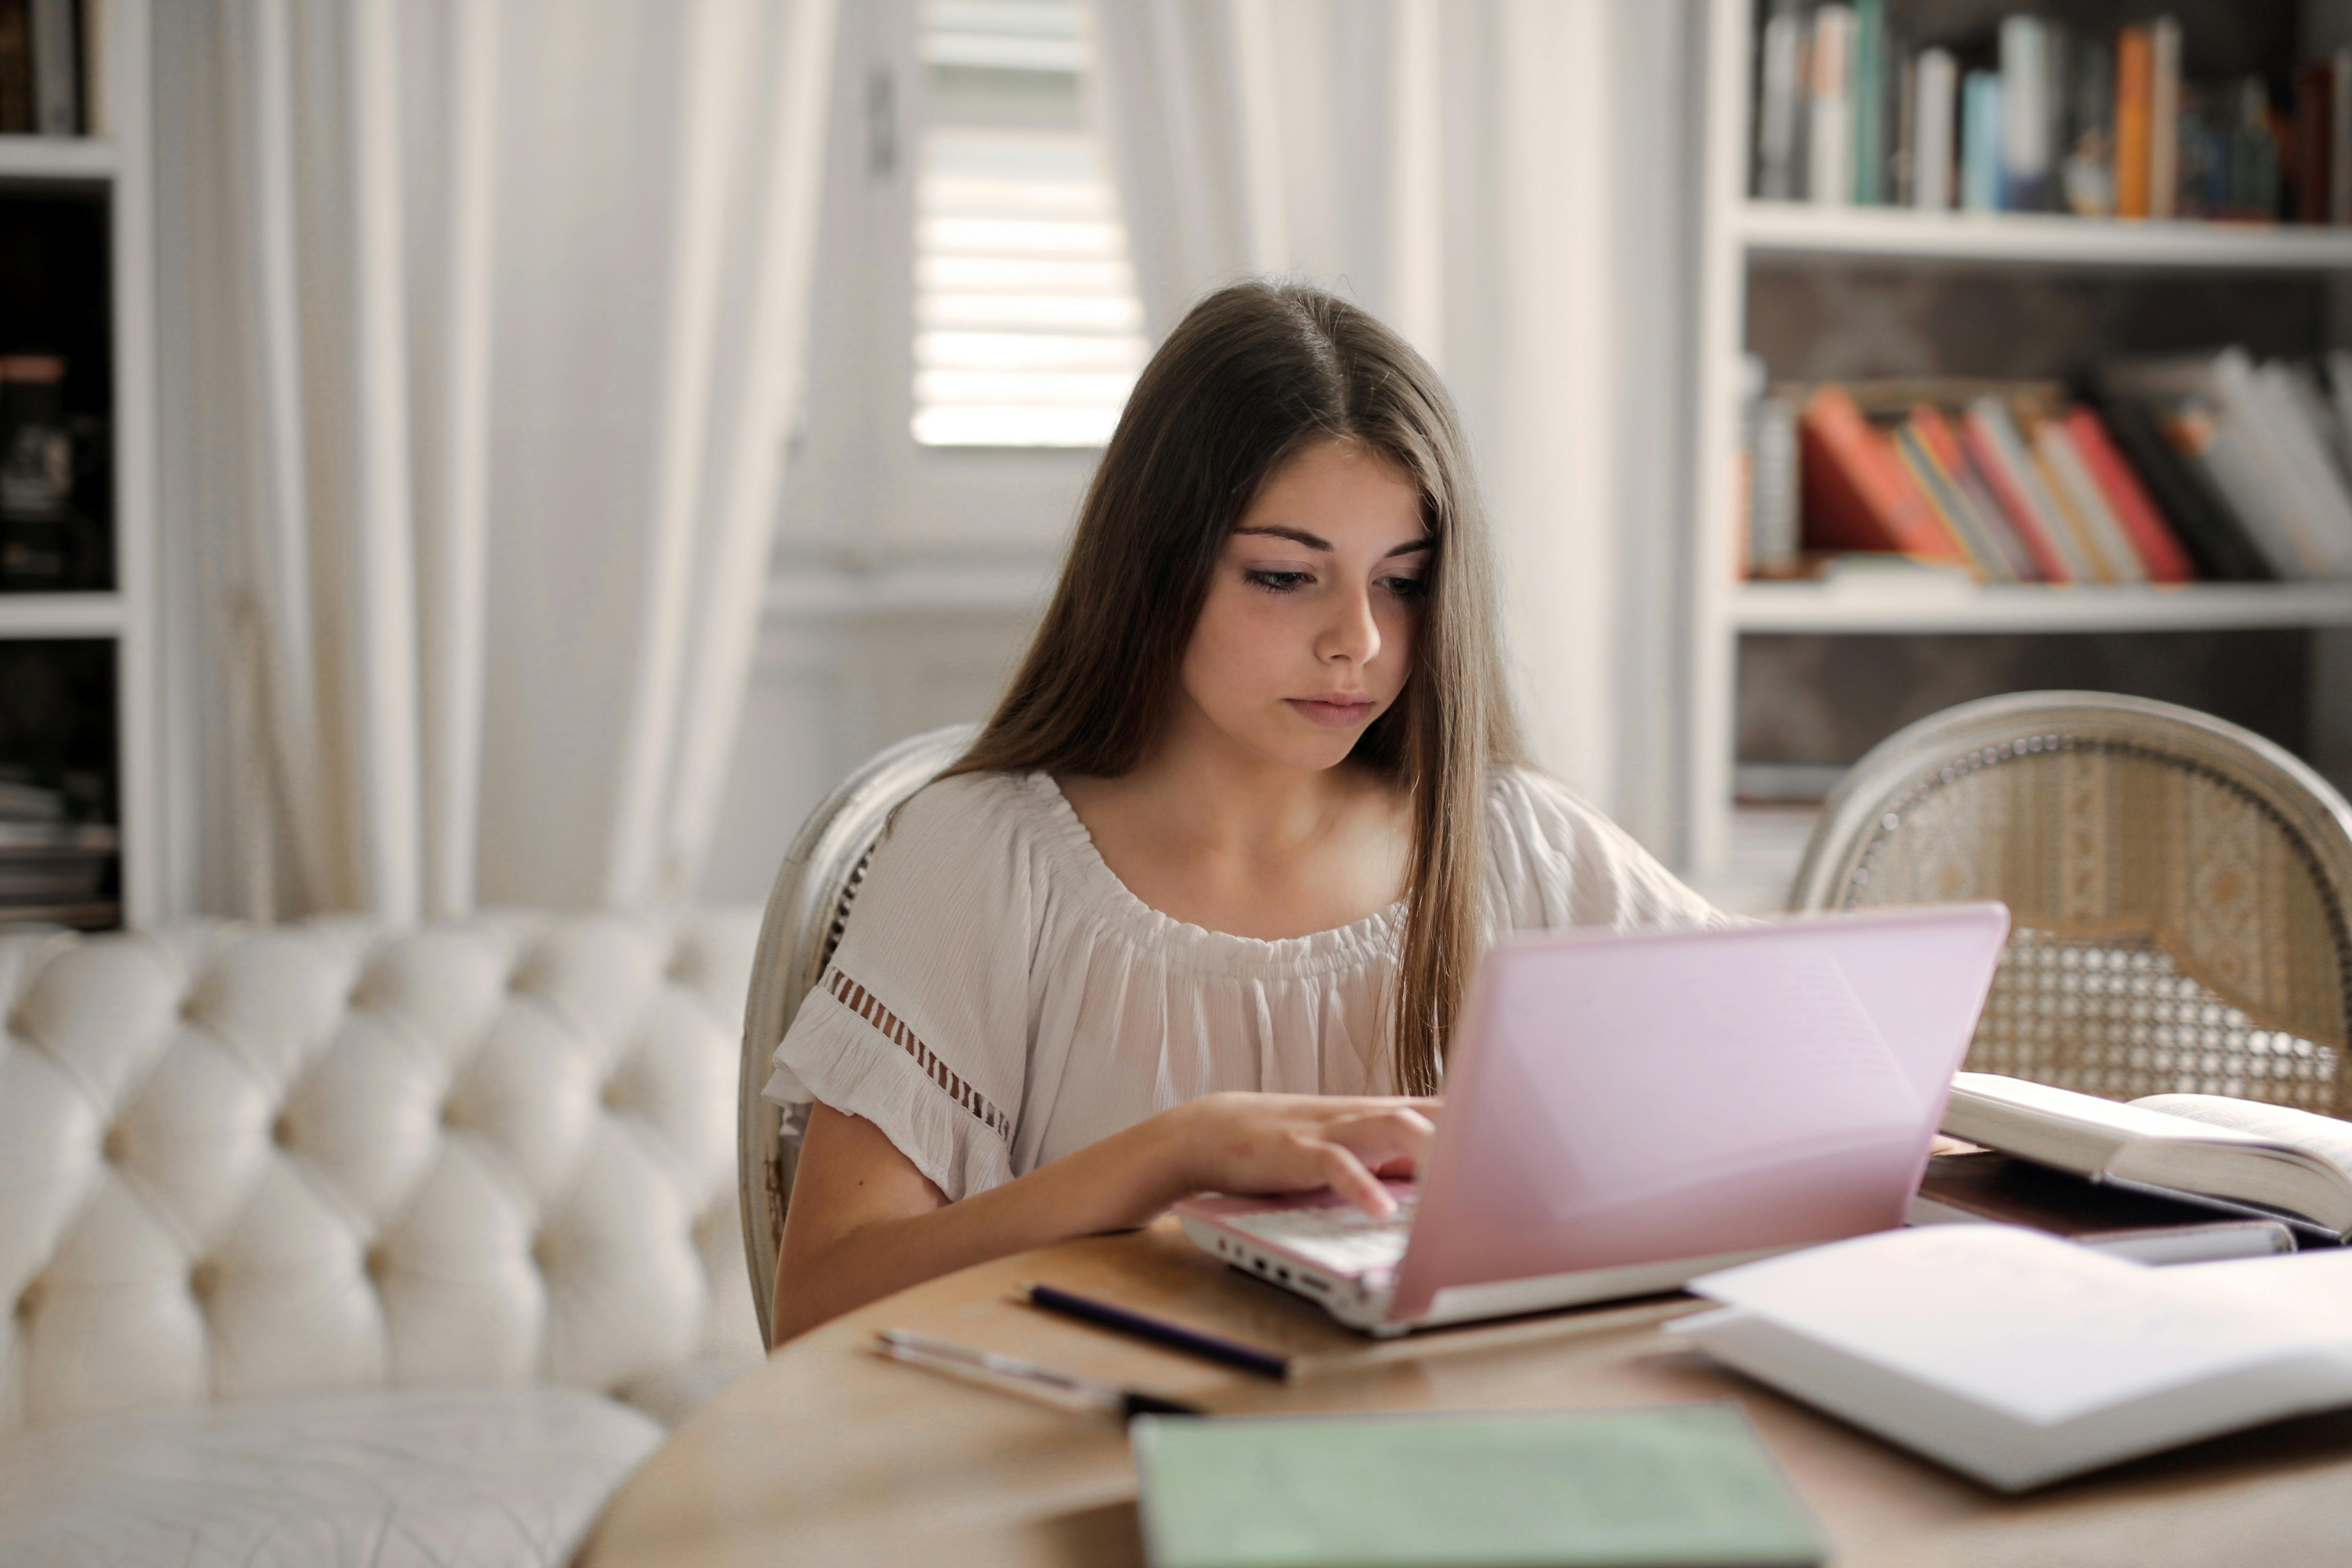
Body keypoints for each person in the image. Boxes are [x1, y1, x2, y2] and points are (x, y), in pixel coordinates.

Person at [762, 279, 1719, 1342]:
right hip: (1087, 1463)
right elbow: (820, 1303)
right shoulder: (983, 859)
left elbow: (1814, 1053)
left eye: (1402, 583)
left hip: (1456, 1450)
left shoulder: (1512, 840)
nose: (1355, 636)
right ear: (1154, 568)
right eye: (1283, 575)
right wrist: (1175, 1151)